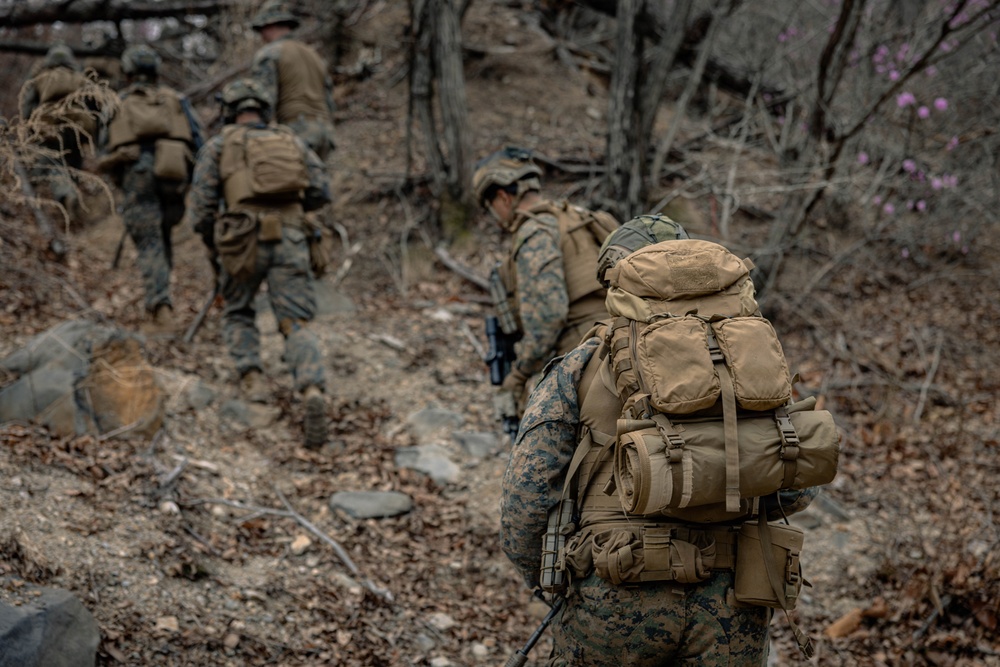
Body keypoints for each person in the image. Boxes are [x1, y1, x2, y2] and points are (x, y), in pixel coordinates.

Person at [499, 215, 822, 666]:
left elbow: (525, 503)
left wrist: (555, 579)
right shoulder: (747, 355)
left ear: (615, 277)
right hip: (733, 603)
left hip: (615, 591)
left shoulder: (582, 365)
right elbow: (795, 484)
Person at [183, 78, 331, 448]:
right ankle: (312, 387)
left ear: (230, 111)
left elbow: (200, 208)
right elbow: (320, 191)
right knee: (295, 320)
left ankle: (253, 382)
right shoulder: (291, 141)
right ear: (264, 108)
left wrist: (213, 242)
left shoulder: (219, 145)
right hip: (291, 236)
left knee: (238, 308)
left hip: (240, 238)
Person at [472, 146, 619, 426]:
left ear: (503, 197)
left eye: (491, 209)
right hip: (625, 345)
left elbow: (547, 318)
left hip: (585, 359)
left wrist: (517, 376)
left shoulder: (534, 231)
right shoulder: (578, 218)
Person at [98, 44, 204, 335]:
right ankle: (161, 302)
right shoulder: (176, 99)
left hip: (138, 175)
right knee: (163, 237)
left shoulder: (118, 102)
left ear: (129, 73)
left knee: (149, 243)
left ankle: (160, 309)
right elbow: (198, 140)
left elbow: (102, 148)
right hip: (174, 172)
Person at [250, 0, 336, 161]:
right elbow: (330, 100)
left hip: (296, 131)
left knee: (290, 182)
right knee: (317, 182)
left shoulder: (270, 54)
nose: (261, 35)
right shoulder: (314, 54)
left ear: (270, 25)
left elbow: (264, 100)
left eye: (261, 29)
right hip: (324, 131)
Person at [19, 43, 96, 218]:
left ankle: (67, 194)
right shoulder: (80, 77)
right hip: (78, 127)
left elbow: (27, 105)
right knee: (74, 162)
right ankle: (75, 200)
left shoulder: (41, 77)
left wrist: (29, 128)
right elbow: (94, 104)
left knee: (53, 164)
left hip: (50, 127)